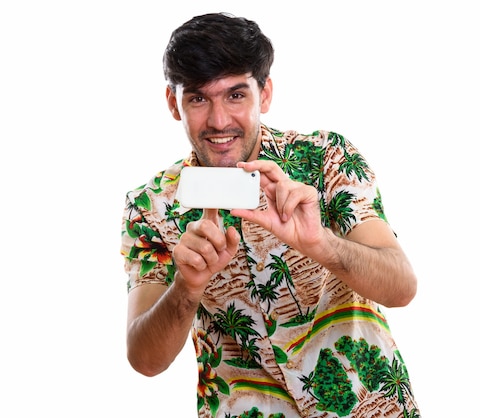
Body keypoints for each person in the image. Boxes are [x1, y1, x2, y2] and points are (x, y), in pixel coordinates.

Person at [120, 12, 421, 418]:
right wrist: (186, 288)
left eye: (235, 94)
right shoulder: (149, 205)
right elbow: (145, 360)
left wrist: (321, 244)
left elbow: (401, 287)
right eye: (198, 98)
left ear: (265, 94)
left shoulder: (326, 158)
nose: (219, 120)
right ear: (174, 103)